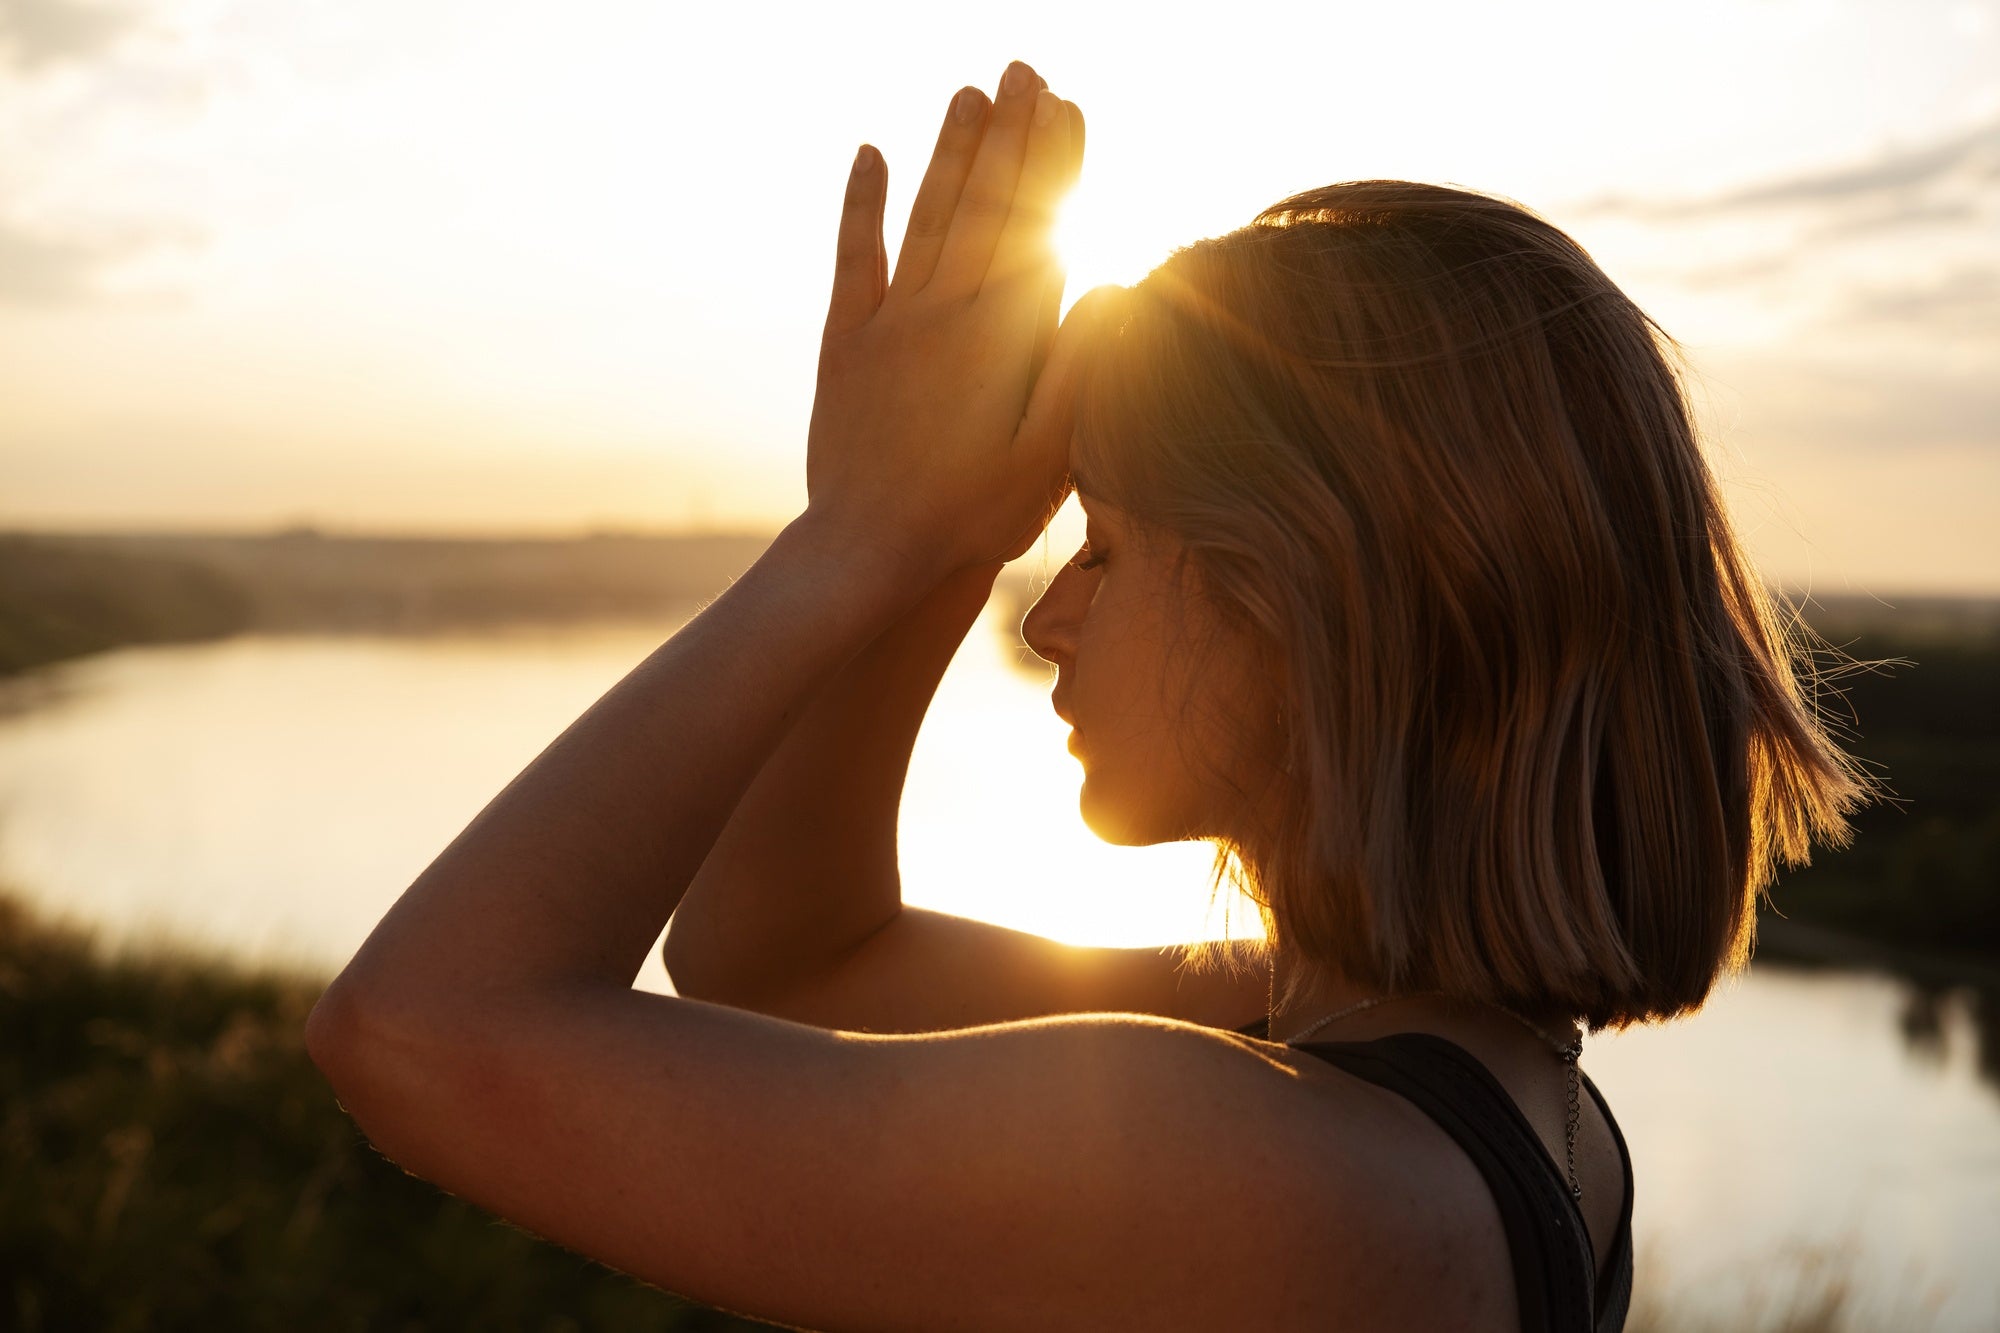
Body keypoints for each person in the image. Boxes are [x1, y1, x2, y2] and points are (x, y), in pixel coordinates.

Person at [307, 60, 1866, 1332]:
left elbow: (422, 1031)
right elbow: (781, 959)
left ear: (1312, 606)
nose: (1047, 614)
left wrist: (850, 540)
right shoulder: (1457, 1093)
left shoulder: (1260, 1168)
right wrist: (928, 548)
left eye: (1106, 543)